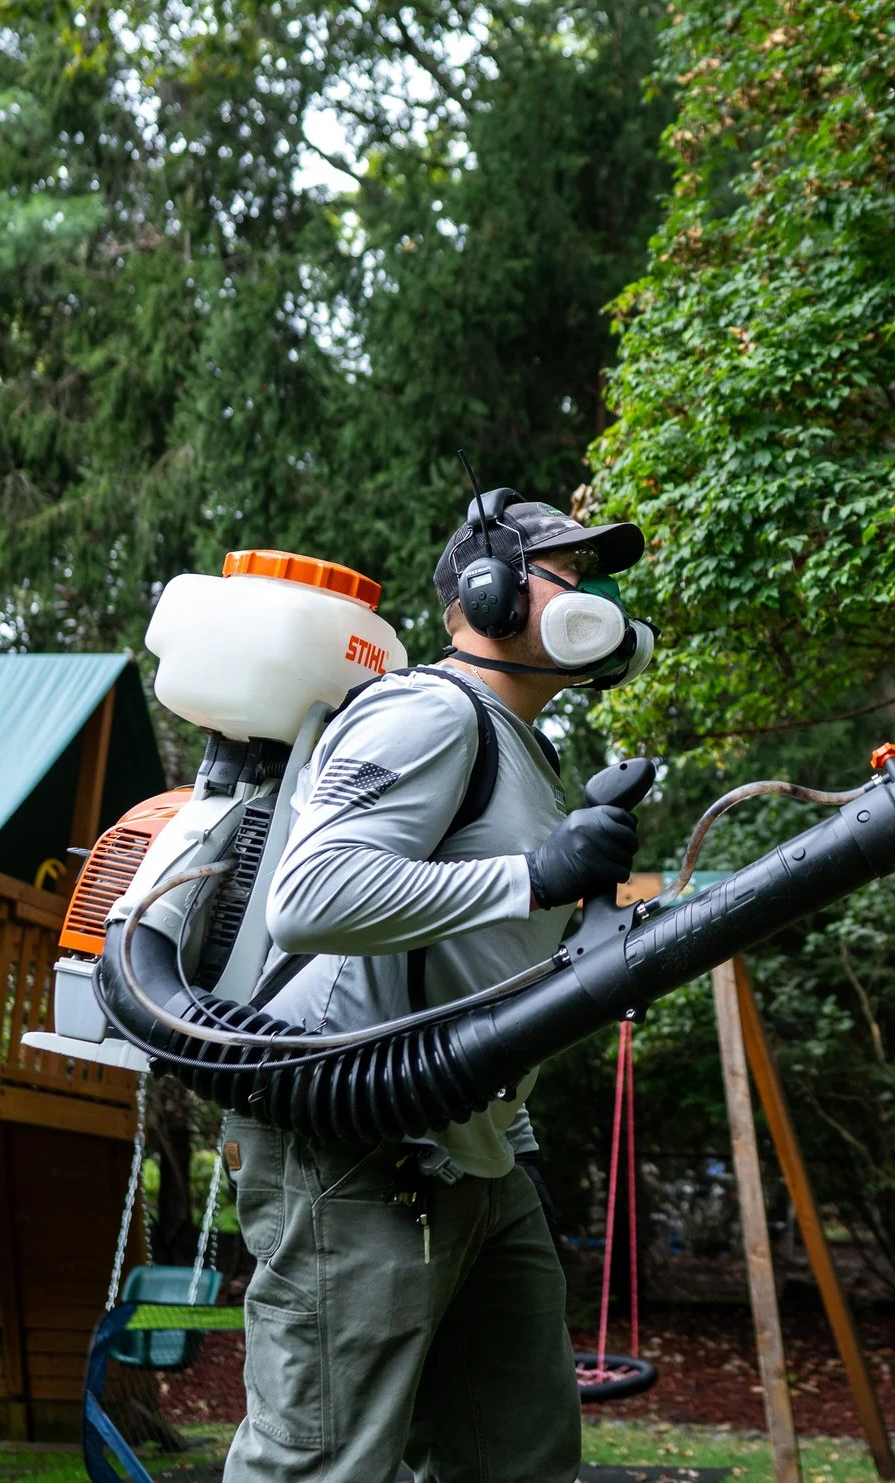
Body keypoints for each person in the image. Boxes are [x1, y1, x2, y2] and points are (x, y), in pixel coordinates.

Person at [219, 493, 648, 1483]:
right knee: (321, 1462)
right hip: (360, 1149)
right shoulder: (427, 709)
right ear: (487, 592)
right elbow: (309, 897)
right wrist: (536, 875)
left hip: (476, 1157)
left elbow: (481, 970)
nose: (594, 598)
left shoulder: (522, 749)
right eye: (567, 574)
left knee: (517, 1455)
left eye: (596, 581)